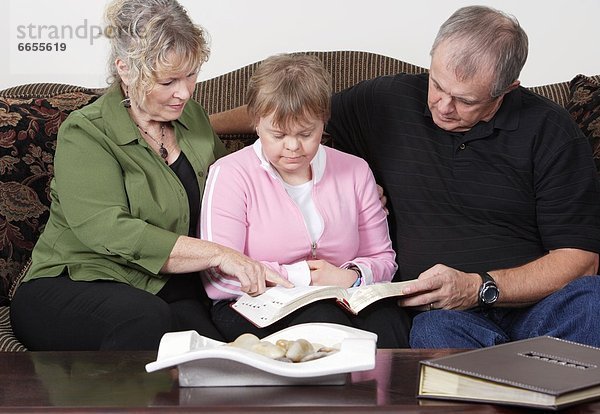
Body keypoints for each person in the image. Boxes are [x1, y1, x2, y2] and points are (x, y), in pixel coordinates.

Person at [209, 6, 600, 349]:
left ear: (507, 90)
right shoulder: (387, 101)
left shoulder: (552, 132)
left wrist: (480, 287)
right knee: (430, 335)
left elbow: (581, 261)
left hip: (536, 306)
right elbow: (294, 112)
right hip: (444, 316)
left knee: (592, 302)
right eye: (437, 84)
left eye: (465, 101)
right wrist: (198, 124)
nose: (443, 107)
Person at [10, 0, 291, 351]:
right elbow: (108, 229)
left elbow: (239, 191)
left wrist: (341, 196)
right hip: (74, 282)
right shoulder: (85, 133)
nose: (185, 92)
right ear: (125, 70)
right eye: (168, 80)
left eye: (191, 75)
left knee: (232, 347)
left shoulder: (194, 119)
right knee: (146, 320)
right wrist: (218, 254)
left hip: (166, 289)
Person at [200, 53, 411, 347]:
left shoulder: (355, 170)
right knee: (325, 324)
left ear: (324, 121)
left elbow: (384, 260)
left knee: (390, 325)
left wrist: (349, 276)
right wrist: (305, 277)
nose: (293, 147)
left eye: (306, 133)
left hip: (344, 294)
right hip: (254, 304)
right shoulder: (230, 173)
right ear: (256, 123)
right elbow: (219, 279)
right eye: (278, 134)